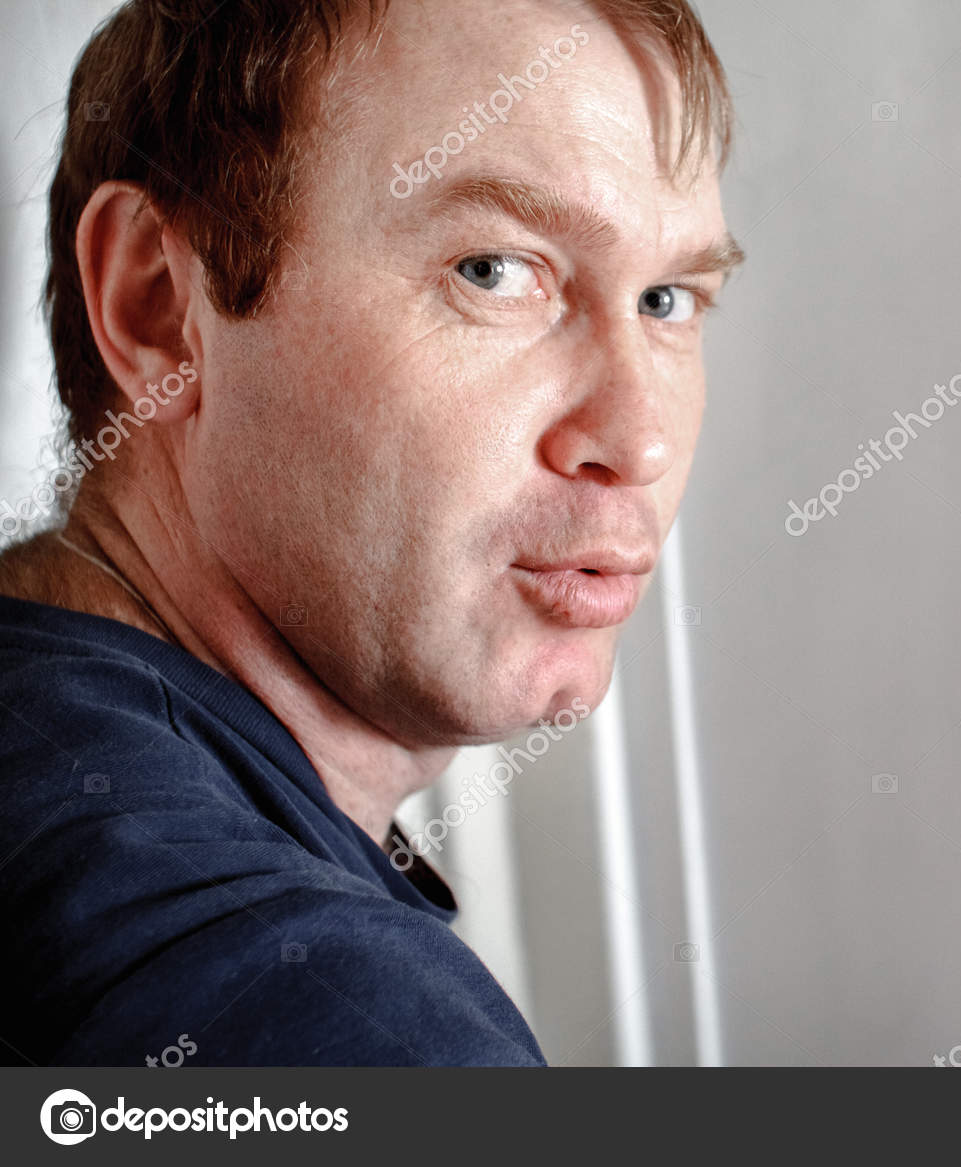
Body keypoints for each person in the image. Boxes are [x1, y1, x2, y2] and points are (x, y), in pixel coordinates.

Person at [0, 0, 740, 1066]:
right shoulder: (325, 1009)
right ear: (159, 306)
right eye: (492, 270)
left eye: (667, 299)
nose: (638, 442)